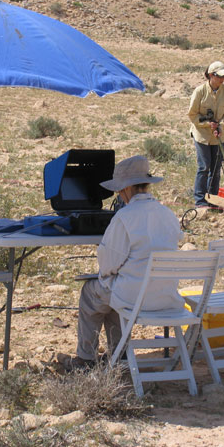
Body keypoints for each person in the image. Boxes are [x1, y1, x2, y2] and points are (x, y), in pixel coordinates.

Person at [65, 155, 183, 371]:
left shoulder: (124, 217)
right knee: (113, 291)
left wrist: (111, 274)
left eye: (119, 190)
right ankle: (119, 355)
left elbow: (107, 263)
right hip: (167, 297)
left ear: (126, 189)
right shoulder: (168, 214)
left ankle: (86, 357)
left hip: (134, 299)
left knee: (93, 293)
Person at [187, 61, 224, 208]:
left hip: (218, 135)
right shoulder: (200, 91)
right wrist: (207, 124)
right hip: (201, 134)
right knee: (204, 167)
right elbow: (192, 115)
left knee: (216, 169)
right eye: (219, 76)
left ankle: (213, 199)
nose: (222, 80)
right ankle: (200, 200)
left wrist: (221, 126)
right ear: (210, 75)